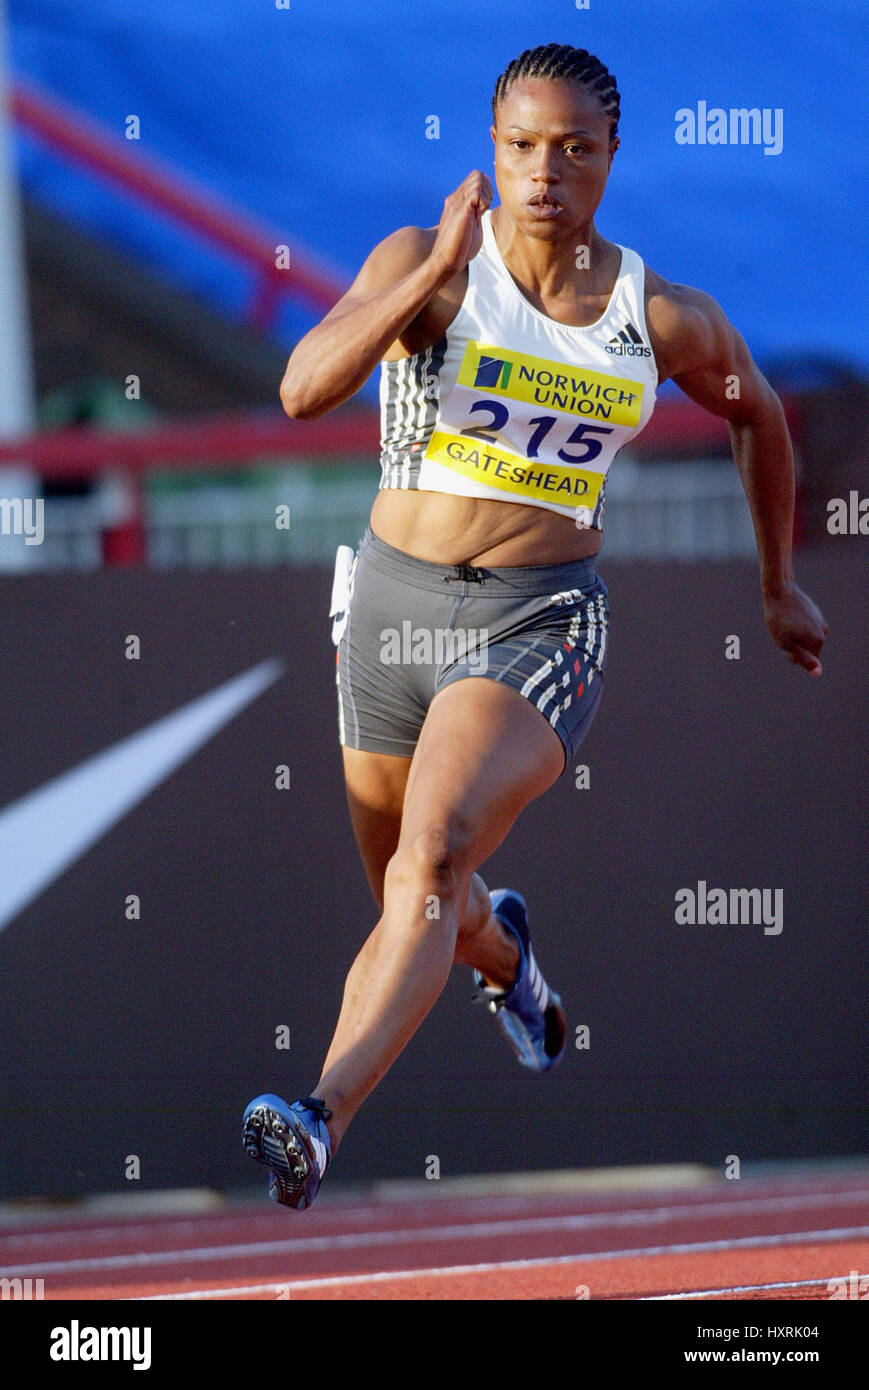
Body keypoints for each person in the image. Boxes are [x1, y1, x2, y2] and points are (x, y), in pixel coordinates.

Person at [242, 43, 827, 1210]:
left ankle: (318, 1114)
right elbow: (302, 388)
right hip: (390, 615)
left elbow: (757, 416)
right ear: (489, 151)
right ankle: (508, 961)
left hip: (536, 621)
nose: (544, 170)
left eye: (572, 148)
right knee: (421, 899)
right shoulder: (427, 266)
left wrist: (776, 581)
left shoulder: (655, 317)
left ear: (612, 158)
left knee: (434, 855)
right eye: (520, 146)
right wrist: (425, 283)